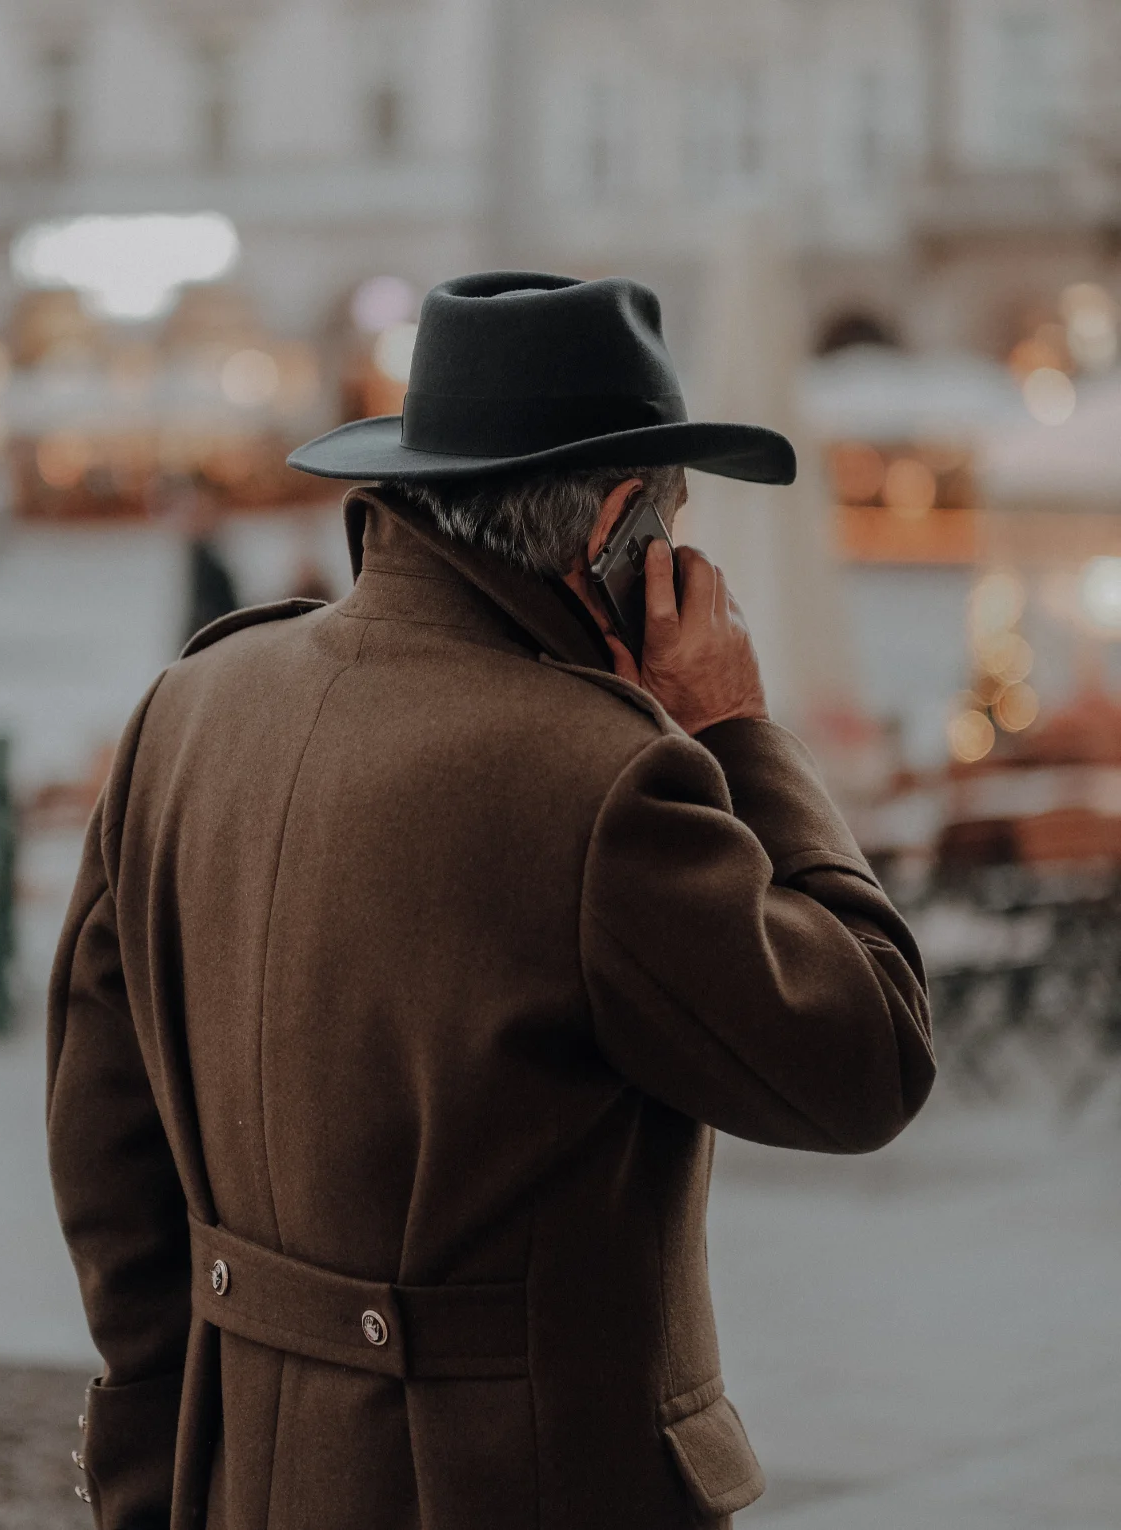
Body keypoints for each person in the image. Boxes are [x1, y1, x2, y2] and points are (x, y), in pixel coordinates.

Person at [48, 272, 934, 1530]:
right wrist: (737, 731)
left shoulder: (188, 708)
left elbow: (103, 1144)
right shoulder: (605, 778)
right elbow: (869, 1058)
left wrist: (154, 1461)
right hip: (527, 1487)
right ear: (616, 521)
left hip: (235, 1468)